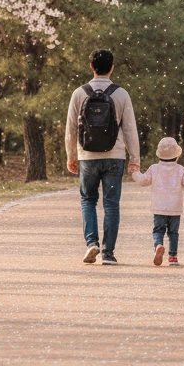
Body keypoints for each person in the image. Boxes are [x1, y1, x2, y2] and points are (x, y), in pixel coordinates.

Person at [65, 49, 140, 265]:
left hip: (87, 155)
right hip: (114, 156)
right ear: (112, 67)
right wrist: (135, 159)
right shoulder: (121, 94)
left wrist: (72, 155)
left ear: (91, 67)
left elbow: (71, 128)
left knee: (88, 200)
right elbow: (130, 129)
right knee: (111, 204)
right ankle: (108, 253)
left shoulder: (79, 93)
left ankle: (91, 243)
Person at [132, 136, 184, 266]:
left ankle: (158, 245)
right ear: (177, 155)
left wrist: (134, 173)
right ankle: (173, 257)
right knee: (173, 233)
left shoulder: (154, 168)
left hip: (159, 207)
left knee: (158, 230)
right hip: (175, 208)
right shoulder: (180, 169)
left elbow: (143, 181)